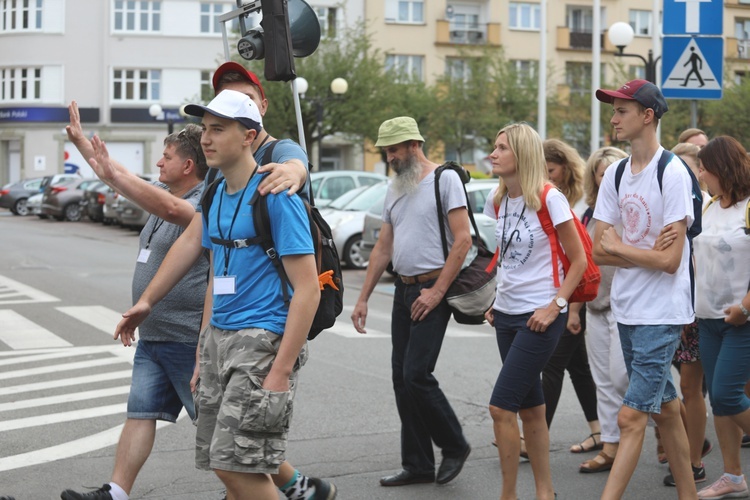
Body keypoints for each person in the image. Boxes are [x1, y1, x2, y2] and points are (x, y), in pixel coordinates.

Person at [92, 62, 334, 500]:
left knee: (233, 462)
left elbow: (308, 289)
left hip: (262, 340)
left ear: (248, 136)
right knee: (224, 465)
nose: (205, 137)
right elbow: (211, 270)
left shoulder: (276, 197)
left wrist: (280, 369)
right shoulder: (216, 193)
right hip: (218, 339)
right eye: (204, 127)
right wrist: (201, 345)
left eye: (218, 128)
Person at [60, 117, 210, 500]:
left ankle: (286, 486)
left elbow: (161, 204)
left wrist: (112, 173)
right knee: (140, 414)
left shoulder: (201, 203)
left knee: (221, 426)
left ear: (189, 166)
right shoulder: (163, 190)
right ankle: (117, 492)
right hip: (154, 336)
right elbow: (118, 175)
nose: (158, 165)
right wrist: (82, 143)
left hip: (186, 338)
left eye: (166, 157)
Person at [351, 116, 472, 488]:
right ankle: (418, 464)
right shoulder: (395, 188)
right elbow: (383, 246)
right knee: (401, 380)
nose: (389, 157)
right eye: (386, 151)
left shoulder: (445, 179)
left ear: (414, 146)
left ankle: (454, 445)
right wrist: (363, 298)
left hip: (433, 288)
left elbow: (463, 239)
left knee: (416, 374)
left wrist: (436, 293)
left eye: (394, 150)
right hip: (403, 291)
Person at [593, 79, 698, 500]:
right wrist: (638, 252)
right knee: (668, 411)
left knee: (630, 418)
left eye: (622, 110)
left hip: (662, 313)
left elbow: (671, 262)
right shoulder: (616, 172)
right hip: (628, 308)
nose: (614, 118)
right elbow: (601, 250)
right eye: (614, 110)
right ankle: (689, 495)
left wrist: (622, 247)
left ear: (647, 115)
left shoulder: (672, 171)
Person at [483, 123, 586, 500]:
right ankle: (546, 492)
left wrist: (556, 305)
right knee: (532, 409)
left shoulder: (548, 197)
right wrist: (496, 299)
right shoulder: (497, 201)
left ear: (522, 154)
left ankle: (508, 494)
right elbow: (508, 259)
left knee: (500, 407)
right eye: (493, 147)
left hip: (539, 316)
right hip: (506, 315)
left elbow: (578, 260)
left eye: (501, 148)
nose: (493, 154)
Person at [692, 136, 750, 500]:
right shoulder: (709, 207)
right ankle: (733, 476)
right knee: (719, 401)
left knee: (728, 396)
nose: (699, 174)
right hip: (707, 319)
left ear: (721, 168)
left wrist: (745, 306)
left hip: (741, 320)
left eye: (703, 167)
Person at [541, 138, 601, 455]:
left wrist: (573, 308)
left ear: (566, 167)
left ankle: (533, 436)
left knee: (551, 365)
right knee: (577, 367)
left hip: (576, 296)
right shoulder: (542, 196)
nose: (546, 177)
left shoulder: (577, 203)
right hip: (557, 293)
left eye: (550, 170)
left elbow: (583, 259)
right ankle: (599, 429)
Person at [661, 141, 712, 488]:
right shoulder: (671, 205)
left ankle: (693, 459)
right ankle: (691, 451)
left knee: (697, 388)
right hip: (675, 305)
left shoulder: (710, 208)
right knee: (678, 386)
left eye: (690, 168)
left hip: (703, 307)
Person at [577, 146, 630, 474]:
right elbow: (580, 264)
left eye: (615, 169)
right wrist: (573, 312)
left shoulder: (632, 210)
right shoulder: (588, 213)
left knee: (623, 377)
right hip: (595, 308)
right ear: (595, 178)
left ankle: (672, 422)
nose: (608, 175)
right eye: (602, 171)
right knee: (604, 381)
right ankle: (610, 446)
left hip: (624, 308)